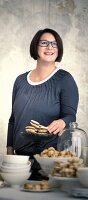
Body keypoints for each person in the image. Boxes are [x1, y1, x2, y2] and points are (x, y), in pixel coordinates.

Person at [7, 28, 79, 180]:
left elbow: (70, 116)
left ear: (58, 49)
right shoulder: (20, 81)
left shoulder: (65, 80)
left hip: (50, 162)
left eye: (54, 44)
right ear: (35, 46)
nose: (50, 47)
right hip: (20, 161)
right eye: (44, 43)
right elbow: (13, 119)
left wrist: (62, 122)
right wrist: (9, 154)